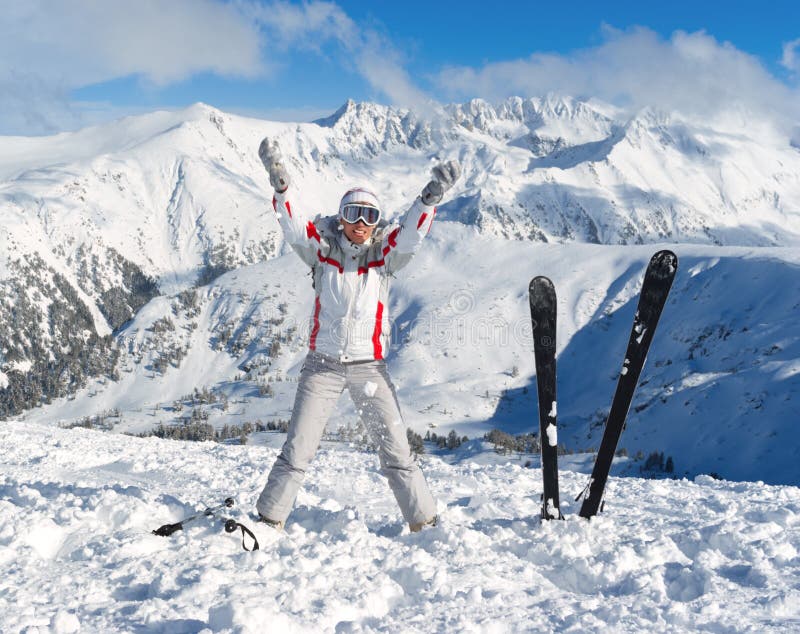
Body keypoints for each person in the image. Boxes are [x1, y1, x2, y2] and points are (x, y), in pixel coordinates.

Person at [255, 137, 460, 532]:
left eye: (369, 216)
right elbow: (295, 227)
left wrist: (429, 198)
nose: (361, 224)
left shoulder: (383, 257)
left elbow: (411, 236)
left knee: (397, 451)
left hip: (369, 369)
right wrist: (281, 186)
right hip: (323, 366)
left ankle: (425, 522)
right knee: (298, 448)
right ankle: (268, 520)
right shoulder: (322, 251)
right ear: (341, 217)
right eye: (353, 214)